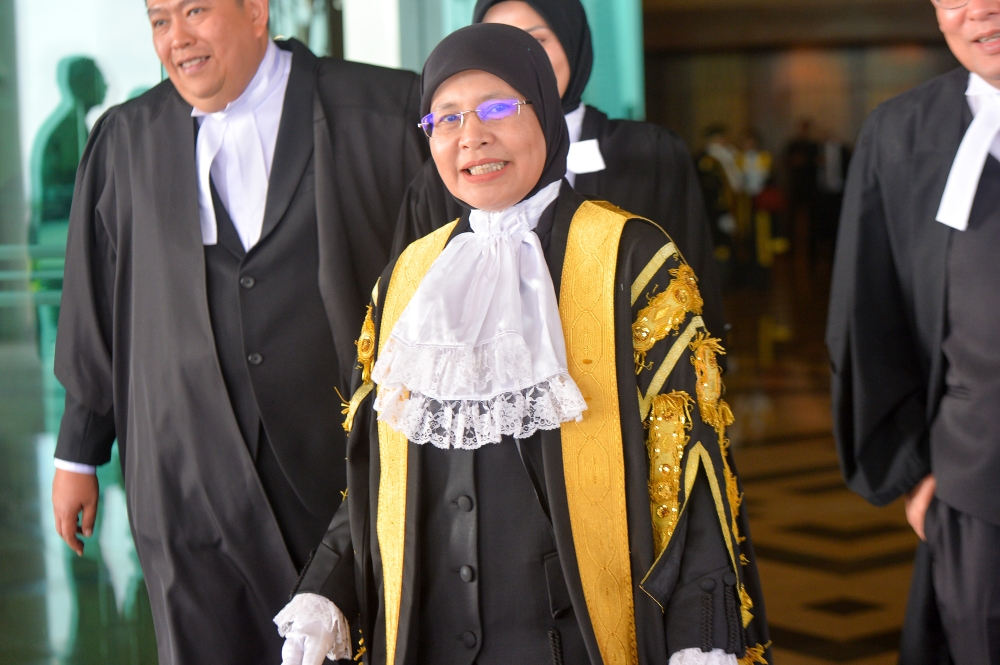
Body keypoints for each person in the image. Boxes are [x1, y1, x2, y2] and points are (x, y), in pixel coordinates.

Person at [274, 23, 771, 665]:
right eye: (445, 118)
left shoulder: (631, 261)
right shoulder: (406, 279)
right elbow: (376, 476)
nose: (471, 135)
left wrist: (702, 635)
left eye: (499, 108)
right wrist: (326, 594)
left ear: (548, 112)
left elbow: (690, 469)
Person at [49, 0, 427, 661]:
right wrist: (79, 450)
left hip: (338, 469)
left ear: (256, 10)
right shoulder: (123, 140)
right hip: (183, 474)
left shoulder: (382, 108)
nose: (177, 38)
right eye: (160, 20)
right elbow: (95, 298)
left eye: (195, 10)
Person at [827, 0, 1000, 662]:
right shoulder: (902, 135)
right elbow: (867, 319)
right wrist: (913, 467)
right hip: (978, 489)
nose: (978, 9)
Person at [392, 0, 726, 342]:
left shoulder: (651, 152)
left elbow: (687, 280)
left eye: (536, 41)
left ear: (572, 42)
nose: (514, 55)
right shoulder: (447, 176)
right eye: (497, 40)